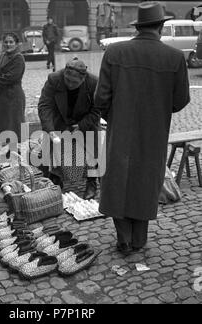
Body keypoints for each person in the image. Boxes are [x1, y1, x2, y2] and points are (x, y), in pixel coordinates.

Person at [94, 1, 190, 255]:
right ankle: (138, 239)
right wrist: (157, 111)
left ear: (138, 26)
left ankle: (123, 238)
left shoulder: (115, 53)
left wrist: (114, 114)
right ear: (160, 26)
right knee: (145, 181)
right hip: (154, 132)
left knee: (117, 180)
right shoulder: (175, 58)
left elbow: (100, 98)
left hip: (121, 128)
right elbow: (180, 101)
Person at [38, 58, 101, 200]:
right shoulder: (54, 79)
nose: (70, 84)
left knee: (92, 147)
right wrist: (50, 129)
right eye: (67, 80)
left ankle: (92, 182)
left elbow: (97, 110)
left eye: (74, 82)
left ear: (83, 79)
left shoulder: (93, 83)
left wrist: (82, 126)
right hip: (61, 119)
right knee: (53, 145)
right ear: (64, 74)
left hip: (86, 120)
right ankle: (56, 179)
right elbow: (44, 105)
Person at [0, 32, 26, 145]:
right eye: (6, 42)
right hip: (0, 98)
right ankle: (3, 154)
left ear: (16, 44)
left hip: (13, 98)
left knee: (13, 125)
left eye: (11, 42)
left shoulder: (18, 58)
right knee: (1, 124)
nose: (8, 44)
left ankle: (16, 155)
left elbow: (10, 77)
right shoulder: (2, 56)